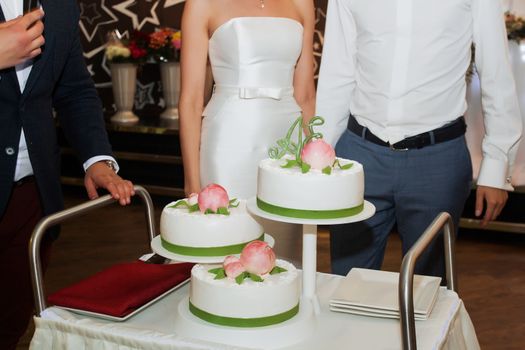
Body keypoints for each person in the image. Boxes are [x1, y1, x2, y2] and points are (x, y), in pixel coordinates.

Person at [316, 0, 523, 278]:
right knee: (347, 282)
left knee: (428, 291)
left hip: (437, 160)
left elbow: (496, 72)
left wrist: (497, 168)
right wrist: (320, 159)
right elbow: (337, 75)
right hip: (359, 155)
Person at [0, 1, 135, 348]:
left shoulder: (61, 5)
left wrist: (96, 160)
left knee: (10, 325)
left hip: (32, 202)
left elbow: (74, 89)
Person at [179, 0, 315, 262]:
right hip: (228, 144)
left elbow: (306, 95)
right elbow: (191, 99)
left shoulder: (302, 3)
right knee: (224, 250)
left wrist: (313, 165)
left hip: (287, 146)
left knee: (284, 256)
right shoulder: (202, 3)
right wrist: (191, 184)